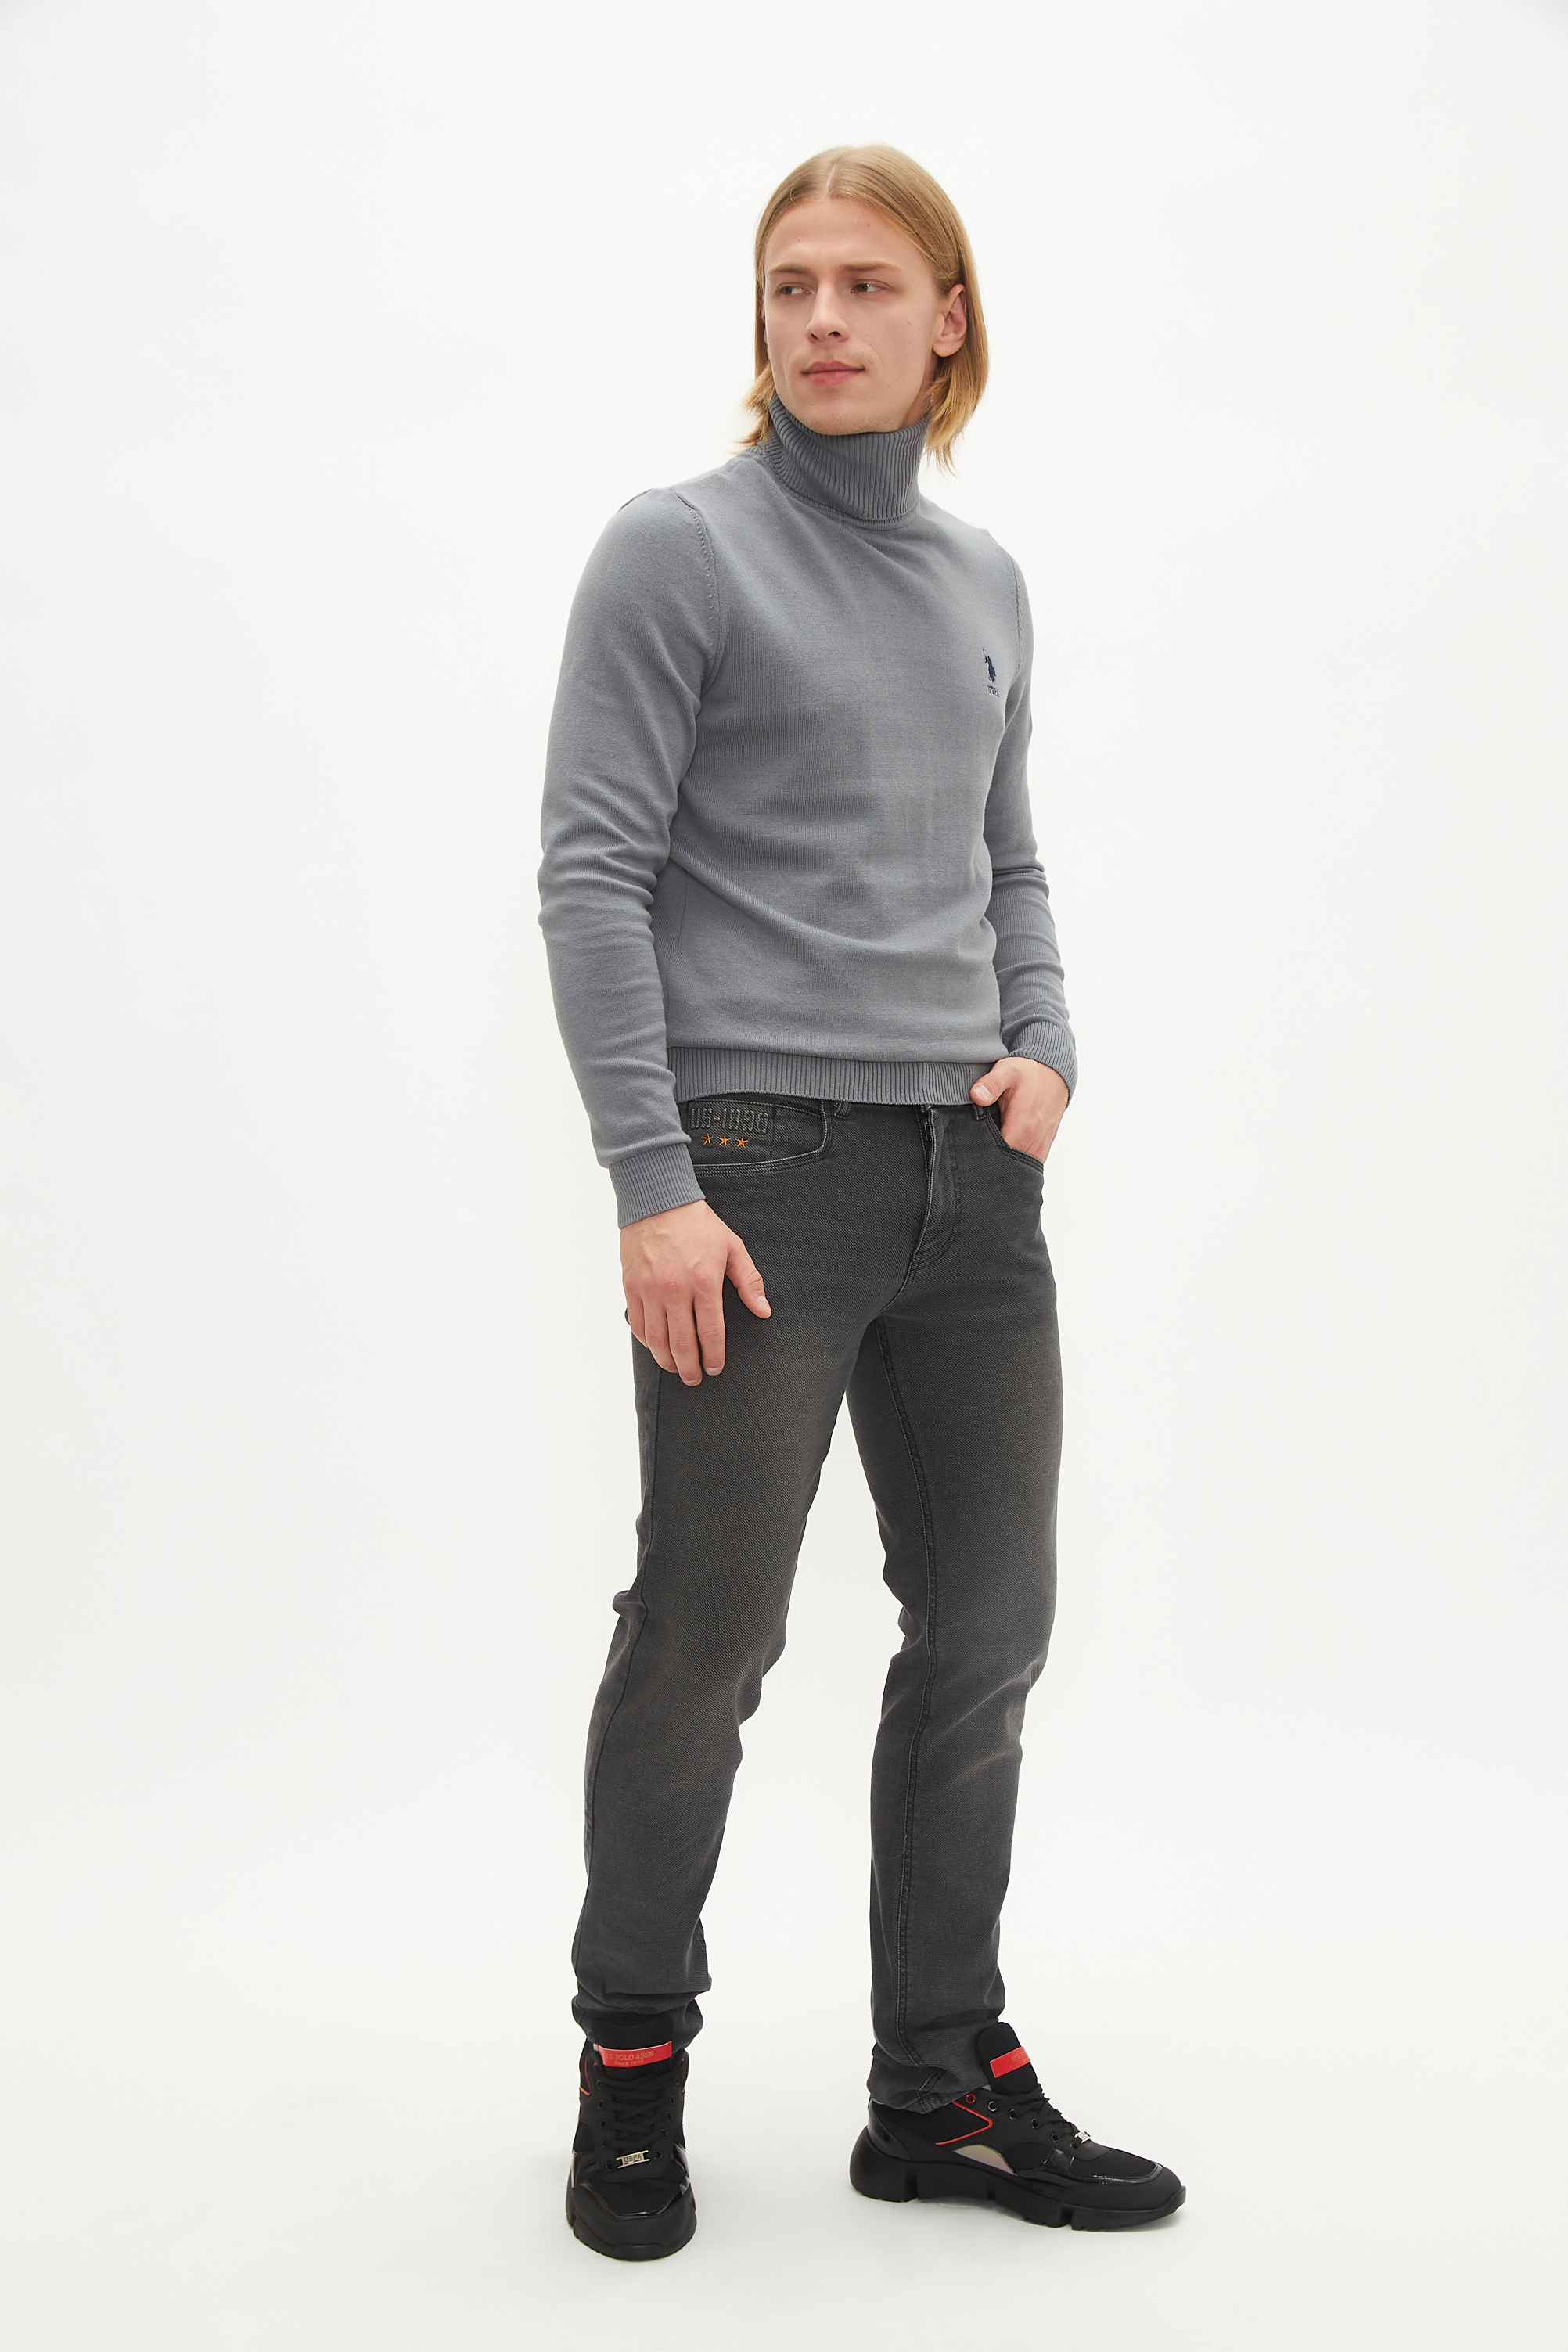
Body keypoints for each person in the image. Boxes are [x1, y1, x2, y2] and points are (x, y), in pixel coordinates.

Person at [538, 143, 1183, 2260]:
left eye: (867, 284)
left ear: (945, 320)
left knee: (989, 1630)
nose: (821, 318)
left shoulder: (985, 580)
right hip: (756, 1183)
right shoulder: (677, 548)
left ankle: (938, 2090)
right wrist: (651, 1183)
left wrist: (1047, 1043)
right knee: (706, 1636)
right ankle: (632, 2060)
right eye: (790, 283)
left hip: (970, 1187)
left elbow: (1010, 857)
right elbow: (592, 873)